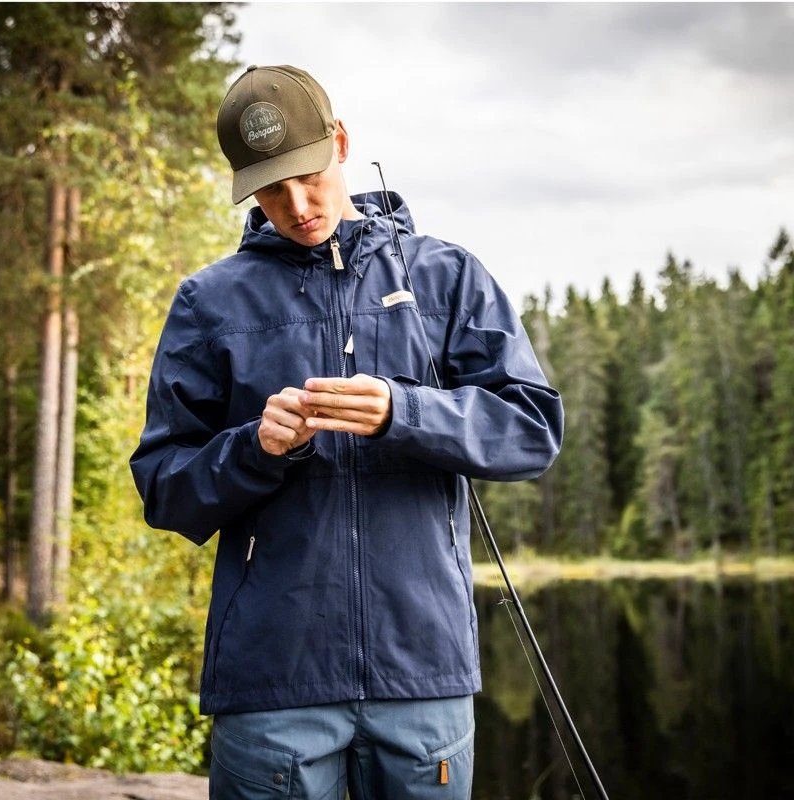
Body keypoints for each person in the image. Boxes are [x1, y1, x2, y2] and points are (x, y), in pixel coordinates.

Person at [130, 64, 563, 800]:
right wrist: (253, 449)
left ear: (341, 143)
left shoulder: (446, 278)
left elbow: (531, 429)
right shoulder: (209, 302)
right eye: (270, 189)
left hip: (422, 675)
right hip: (272, 684)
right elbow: (164, 488)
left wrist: (406, 411)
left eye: (307, 177)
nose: (296, 206)